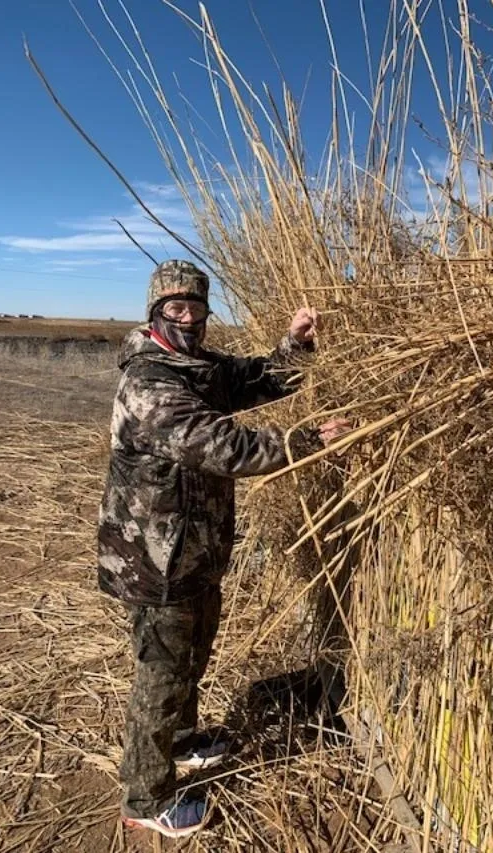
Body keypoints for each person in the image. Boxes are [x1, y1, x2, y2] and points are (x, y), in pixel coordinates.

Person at [97, 259, 348, 838]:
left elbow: (261, 379)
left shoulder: (196, 366)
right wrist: (303, 440)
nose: (188, 316)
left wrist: (295, 344)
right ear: (156, 312)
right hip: (154, 558)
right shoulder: (149, 382)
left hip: (194, 548)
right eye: (175, 308)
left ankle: (183, 741)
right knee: (160, 674)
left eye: (196, 307)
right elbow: (222, 445)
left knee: (193, 649)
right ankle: (144, 796)